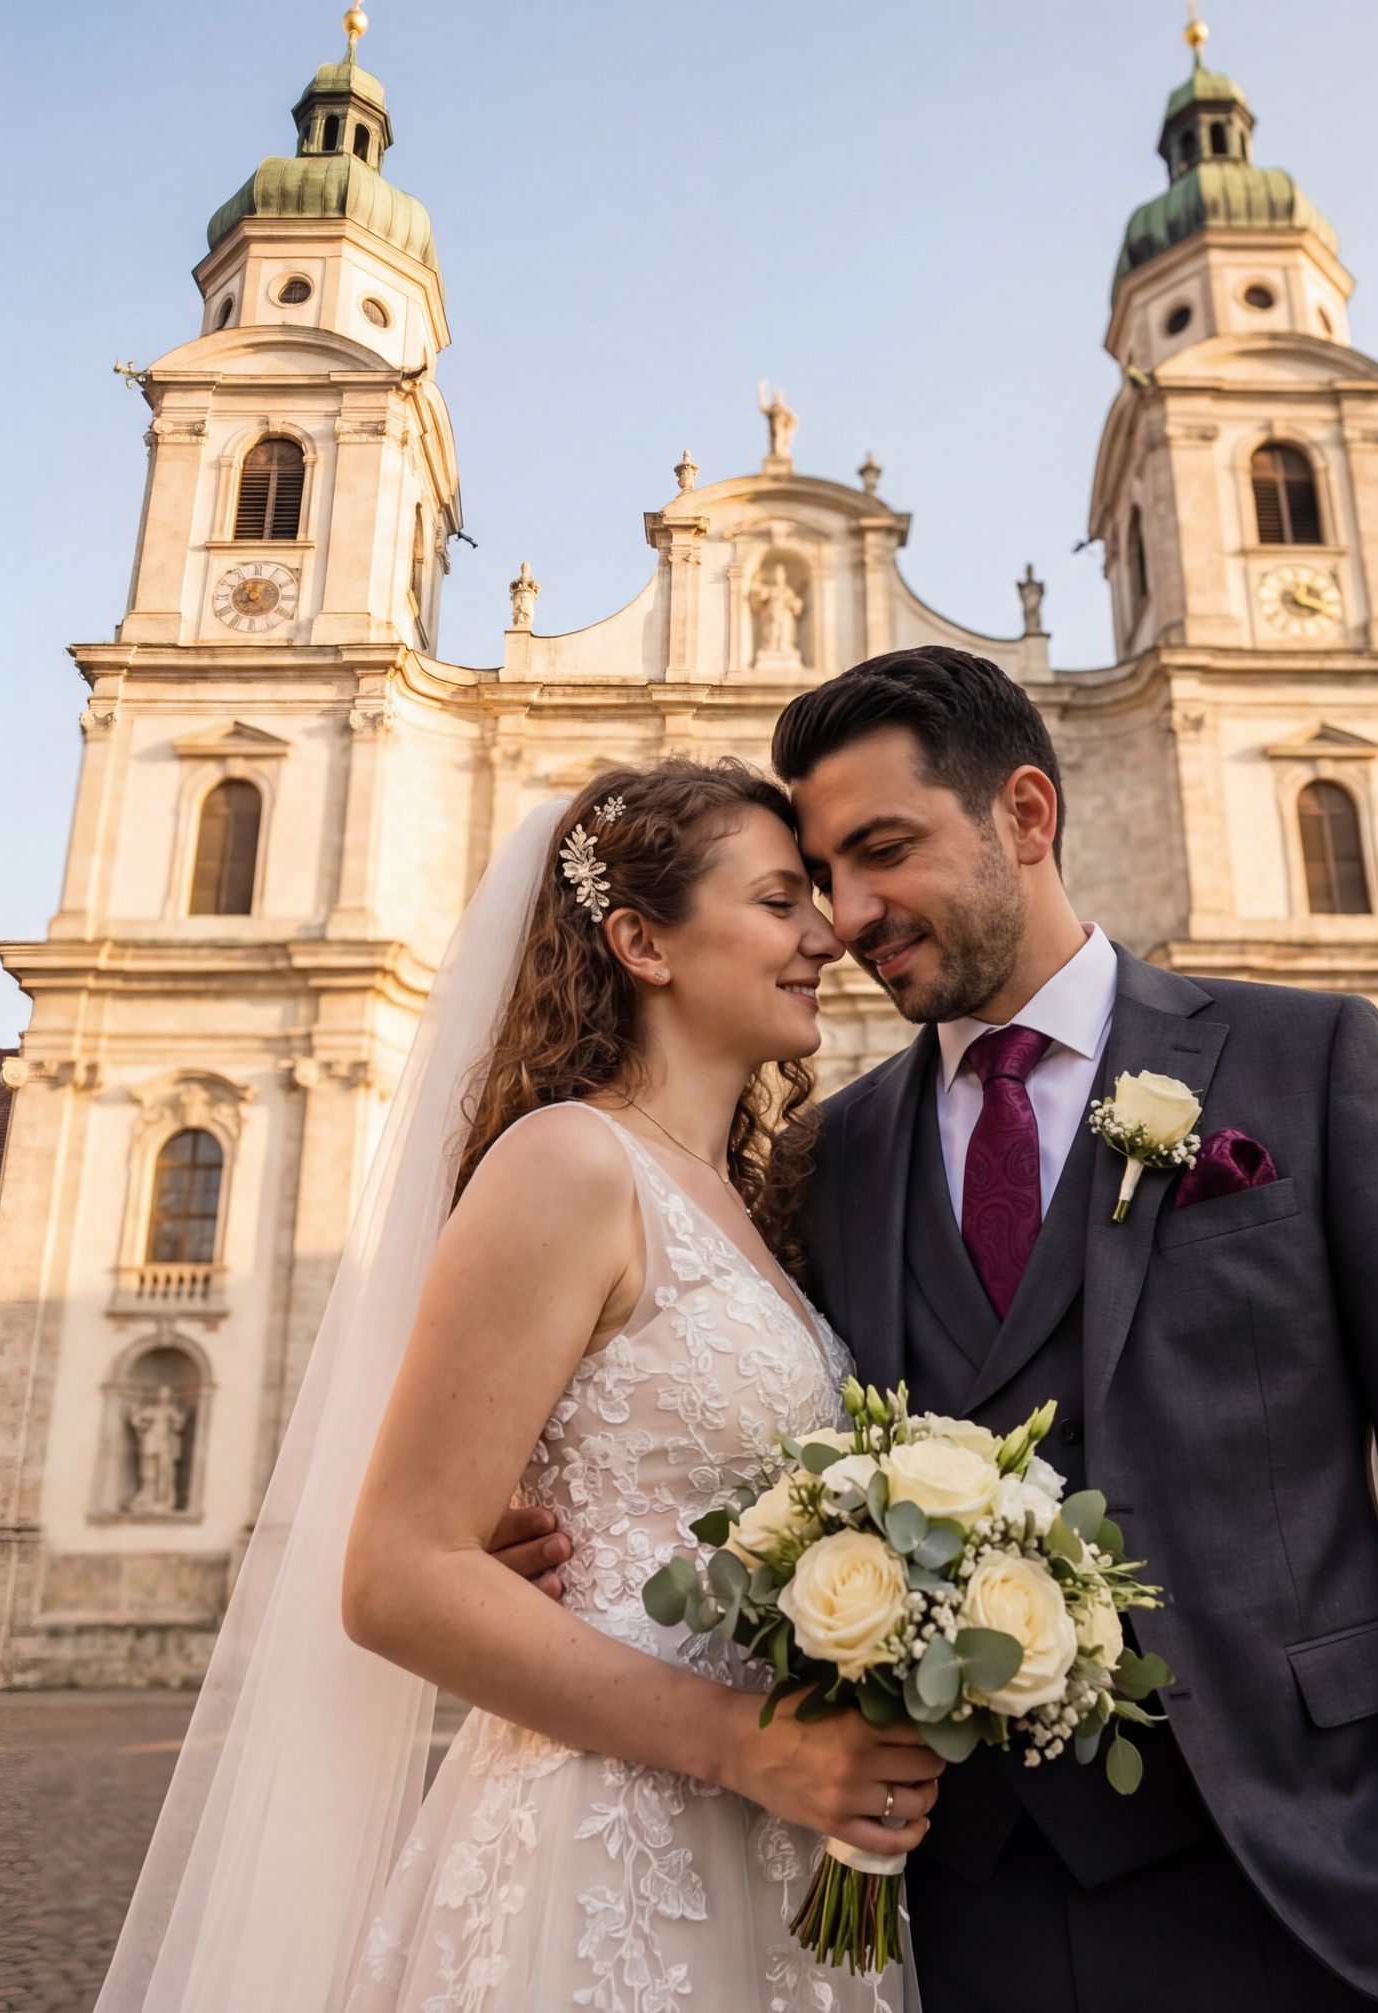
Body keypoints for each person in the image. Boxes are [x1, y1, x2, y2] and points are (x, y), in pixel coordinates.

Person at [762, 646, 1378, 2011]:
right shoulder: (831, 1152)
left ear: (1027, 815)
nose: (848, 915)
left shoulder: (1302, 1060)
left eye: (883, 851)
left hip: (1304, 1884)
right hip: (961, 1923)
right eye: (824, 874)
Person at [95, 761, 931, 2013]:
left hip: (768, 1839)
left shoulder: (750, 1204)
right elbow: (395, 1576)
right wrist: (739, 1741)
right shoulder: (566, 1162)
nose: (829, 933)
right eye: (779, 902)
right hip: (608, 1843)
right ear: (642, 941)